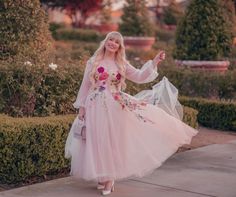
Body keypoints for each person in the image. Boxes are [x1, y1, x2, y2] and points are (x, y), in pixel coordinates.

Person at [65, 31, 198, 196]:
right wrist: (82, 108)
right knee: (97, 140)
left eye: (117, 42)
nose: (113, 43)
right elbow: (85, 85)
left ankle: (109, 179)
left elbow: (140, 76)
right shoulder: (93, 62)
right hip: (94, 105)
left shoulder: (121, 63)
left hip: (115, 105)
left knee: (111, 141)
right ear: (105, 41)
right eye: (110, 40)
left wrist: (154, 62)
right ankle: (102, 175)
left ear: (120, 47)